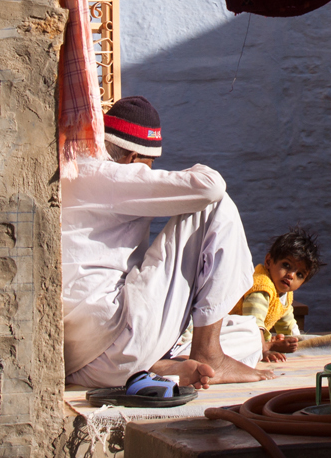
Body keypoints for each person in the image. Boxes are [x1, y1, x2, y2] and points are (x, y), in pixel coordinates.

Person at [62, 96, 275, 389]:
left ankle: (161, 367)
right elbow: (210, 187)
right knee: (216, 206)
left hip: (83, 366)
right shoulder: (110, 174)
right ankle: (209, 354)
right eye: (149, 164)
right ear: (133, 159)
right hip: (116, 338)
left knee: (248, 332)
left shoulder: (72, 171)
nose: (147, 173)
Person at [232, 227, 323, 363]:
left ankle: (267, 343)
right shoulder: (262, 287)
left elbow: (288, 324)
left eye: (299, 274)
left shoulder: (285, 293)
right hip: (230, 332)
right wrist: (264, 351)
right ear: (268, 261)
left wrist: (297, 341)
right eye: (286, 265)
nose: (291, 275)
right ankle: (268, 344)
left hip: (248, 336)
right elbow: (253, 324)